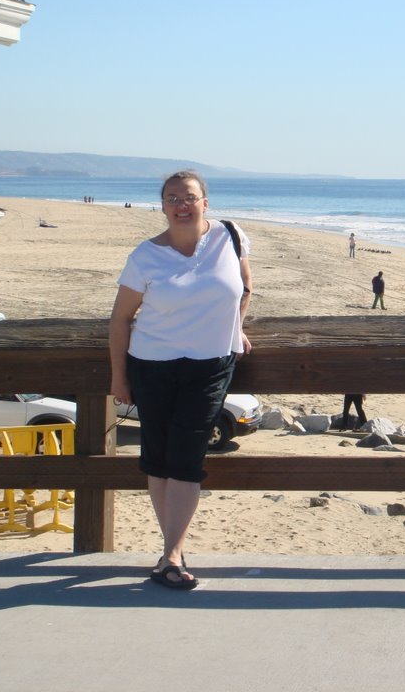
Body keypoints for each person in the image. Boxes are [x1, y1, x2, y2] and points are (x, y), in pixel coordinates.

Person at [109, 169, 252, 591]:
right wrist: (120, 377)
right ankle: (172, 550)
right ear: (163, 206)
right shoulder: (145, 256)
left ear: (205, 202)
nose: (181, 205)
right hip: (152, 365)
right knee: (158, 457)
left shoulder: (231, 235)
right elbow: (120, 319)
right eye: (172, 198)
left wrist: (237, 327)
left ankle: (171, 553)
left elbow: (244, 287)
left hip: (210, 365)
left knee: (187, 457)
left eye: (188, 197)